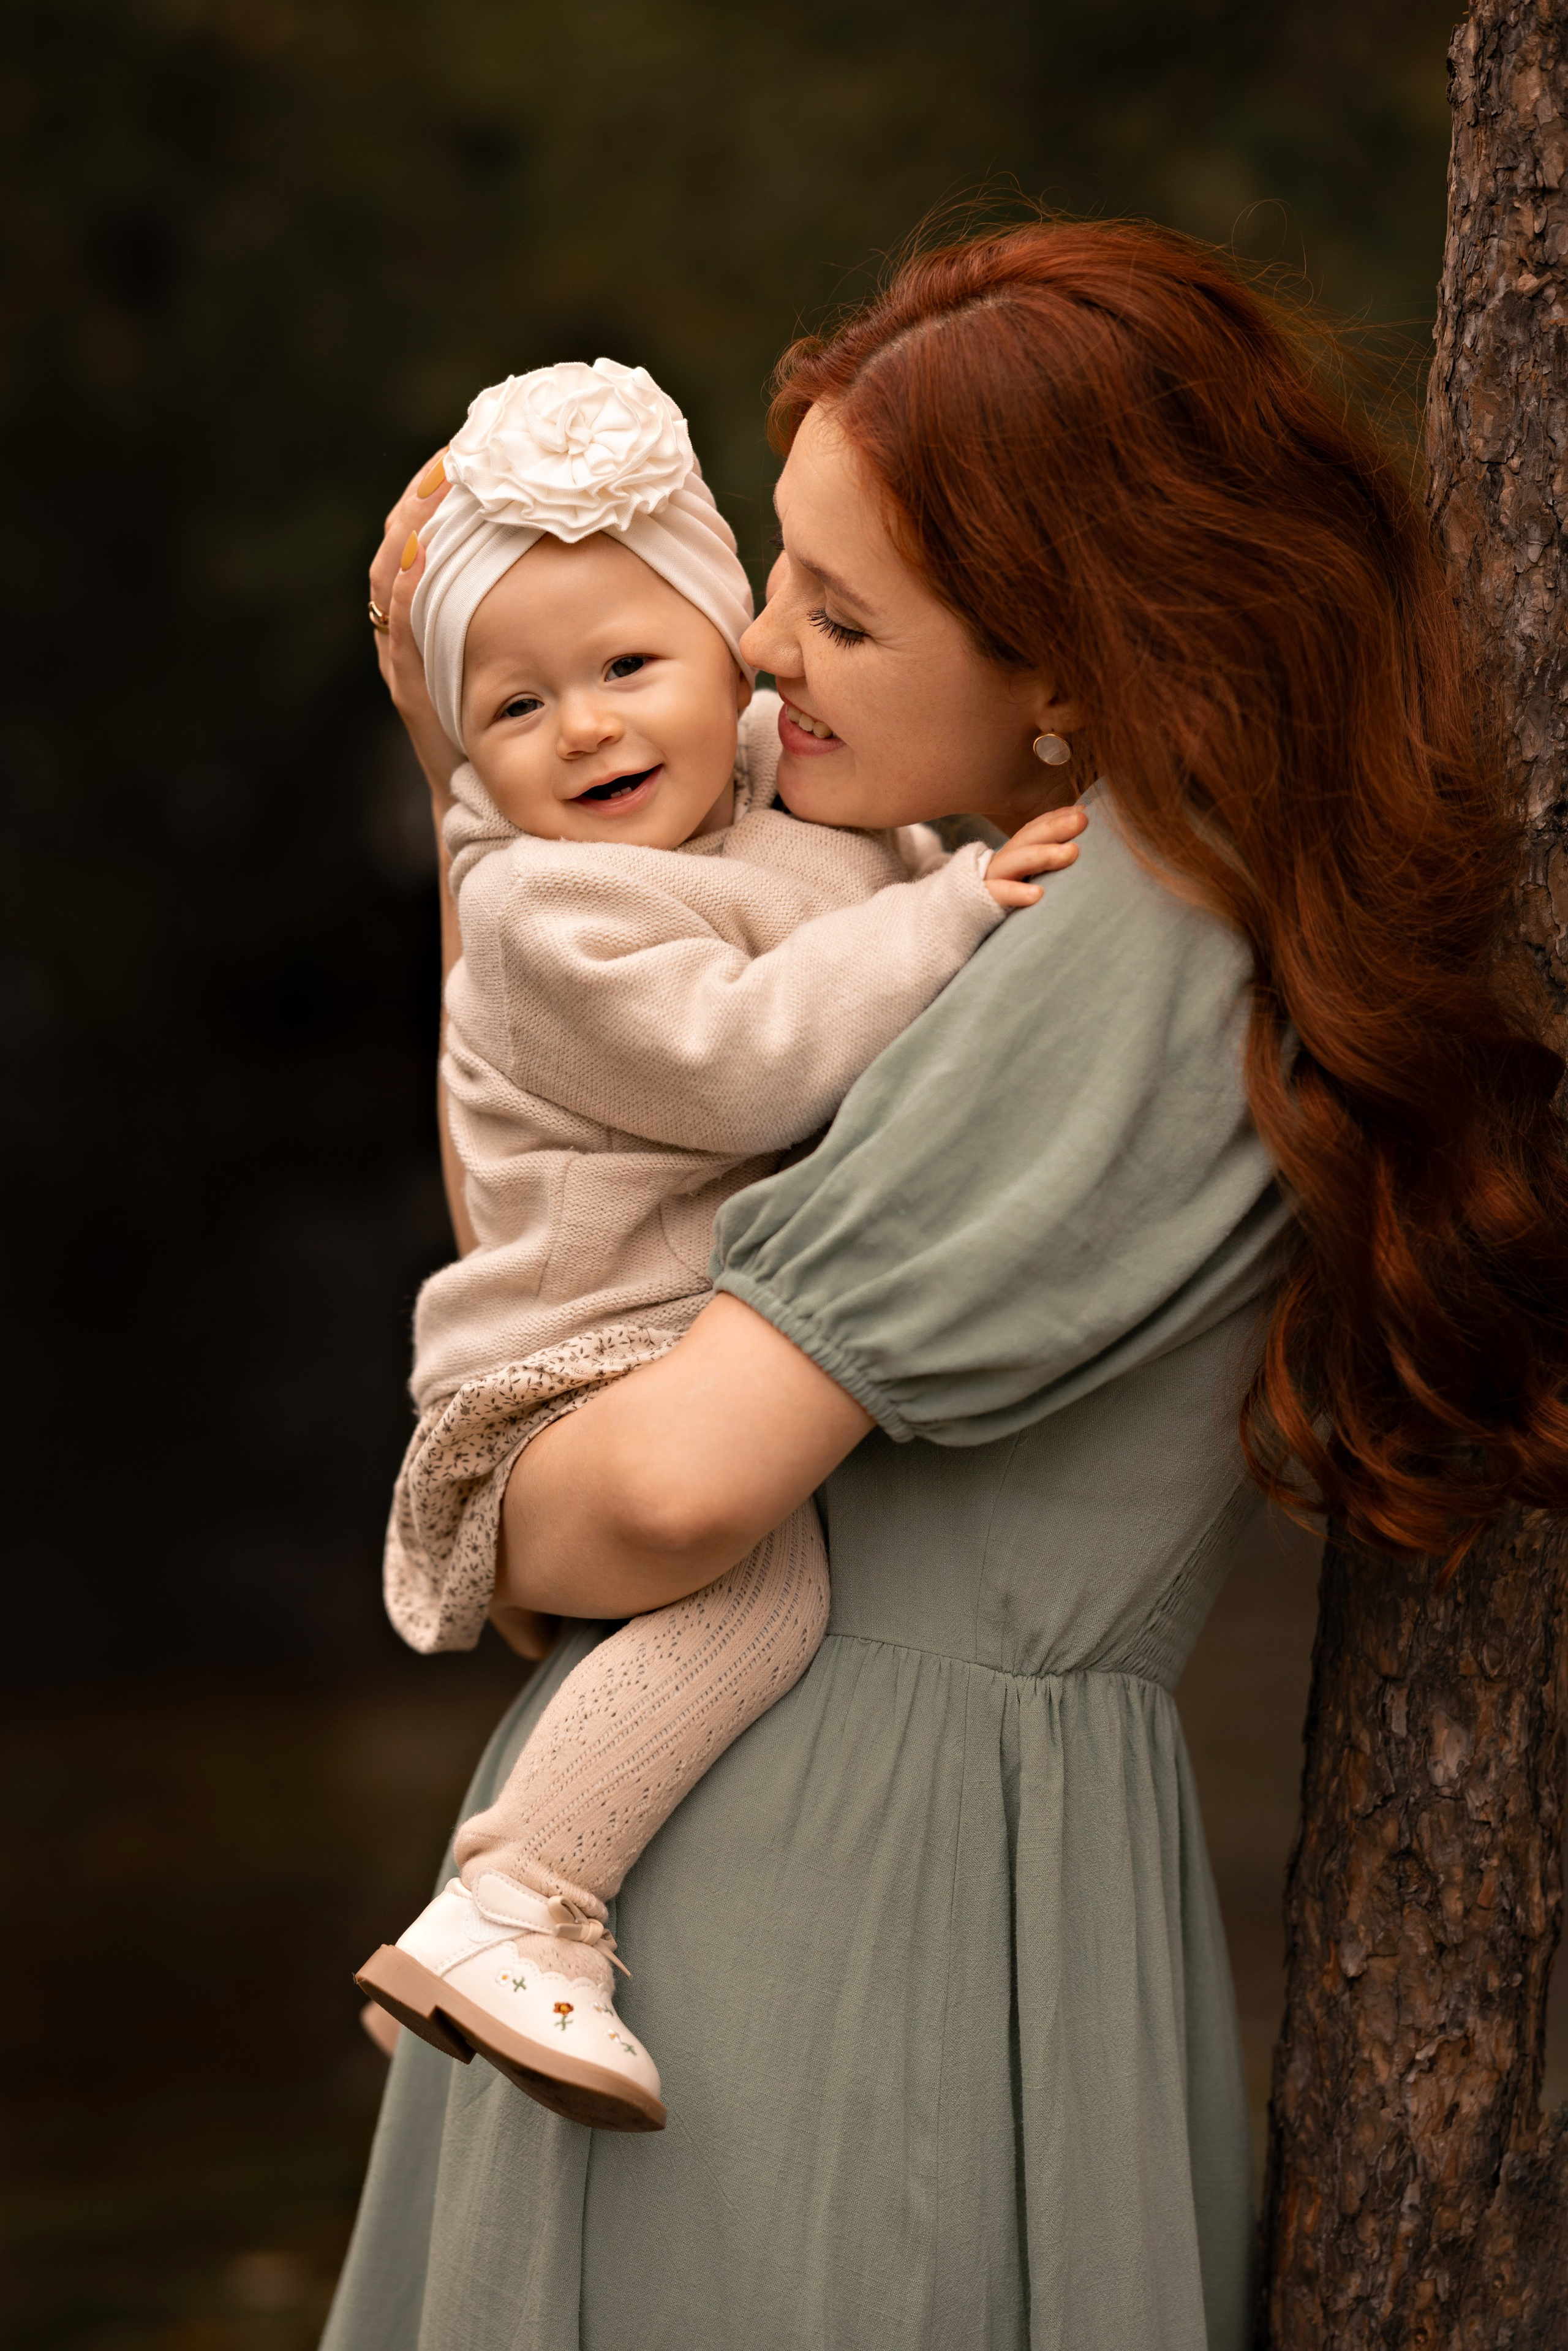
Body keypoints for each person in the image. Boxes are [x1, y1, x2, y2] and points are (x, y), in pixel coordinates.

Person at [325, 221, 1568, 2351]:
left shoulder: (1122, 933)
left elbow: (662, 1503)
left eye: (839, 613)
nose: (761, 655)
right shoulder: (1009, 897)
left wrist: (508, 1507)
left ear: (1070, 668)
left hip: (843, 1893)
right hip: (821, 1869)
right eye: (772, 582)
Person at [352, 355, 1082, 2131]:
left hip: (687, 1343)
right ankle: (519, 1895)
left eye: (628, 669)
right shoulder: (550, 905)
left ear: (722, 648)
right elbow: (746, 1065)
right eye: (514, 712)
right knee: (760, 1588)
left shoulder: (768, 776)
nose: (588, 732)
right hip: (567, 1363)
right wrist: (956, 916)